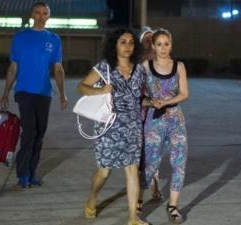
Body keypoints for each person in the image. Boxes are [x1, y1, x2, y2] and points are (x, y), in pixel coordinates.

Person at [78, 28, 149, 225]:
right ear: (114, 45)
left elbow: (137, 99)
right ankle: (92, 198)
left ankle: (133, 218)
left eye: (131, 42)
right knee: (104, 171)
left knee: (132, 170)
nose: (127, 46)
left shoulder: (140, 70)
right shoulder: (105, 67)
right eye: (123, 42)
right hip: (108, 126)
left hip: (133, 126)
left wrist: (151, 102)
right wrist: (101, 89)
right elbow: (82, 87)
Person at [0, 2, 68, 188]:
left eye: (44, 13)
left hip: (44, 93)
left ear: (48, 16)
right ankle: (23, 174)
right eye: (37, 12)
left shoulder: (54, 39)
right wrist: (6, 92)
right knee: (29, 132)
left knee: (39, 134)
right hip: (24, 92)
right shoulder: (20, 38)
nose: (40, 16)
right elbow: (13, 68)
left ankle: (32, 172)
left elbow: (58, 68)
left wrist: (62, 93)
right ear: (32, 14)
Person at [139, 28, 189, 224]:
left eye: (166, 44)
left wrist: (166, 102)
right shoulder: (145, 66)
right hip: (154, 119)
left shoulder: (179, 66)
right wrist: (151, 103)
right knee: (150, 164)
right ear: (153, 46)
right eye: (158, 44)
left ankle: (173, 206)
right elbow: (139, 97)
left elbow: (185, 93)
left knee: (179, 162)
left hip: (176, 119)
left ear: (171, 45)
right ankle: (138, 203)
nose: (163, 48)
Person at [139, 26, 163, 205]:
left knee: (154, 152)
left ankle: (155, 186)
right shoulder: (137, 63)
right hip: (138, 114)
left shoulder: (163, 62)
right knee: (140, 155)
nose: (149, 42)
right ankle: (139, 192)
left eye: (151, 39)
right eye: (146, 40)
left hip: (156, 114)